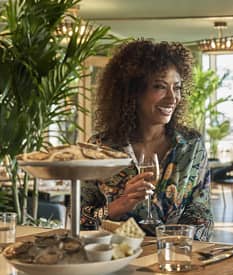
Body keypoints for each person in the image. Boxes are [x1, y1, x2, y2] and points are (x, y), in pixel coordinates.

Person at [80, 40, 213, 241]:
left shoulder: (191, 145)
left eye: (176, 88)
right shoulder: (99, 149)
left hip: (175, 259)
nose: (172, 98)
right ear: (133, 91)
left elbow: (202, 215)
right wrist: (119, 205)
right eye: (160, 86)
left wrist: (170, 243)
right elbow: (79, 219)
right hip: (115, 258)